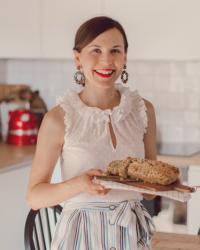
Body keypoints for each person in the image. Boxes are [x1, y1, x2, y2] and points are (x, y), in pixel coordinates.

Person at [27, 16, 157, 250]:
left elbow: (148, 194)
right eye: (95, 50)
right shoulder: (58, 118)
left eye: (115, 50)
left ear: (125, 57)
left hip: (130, 234)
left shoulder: (143, 110)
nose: (106, 60)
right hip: (81, 236)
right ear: (78, 58)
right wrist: (79, 184)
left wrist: (166, 185)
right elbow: (35, 197)